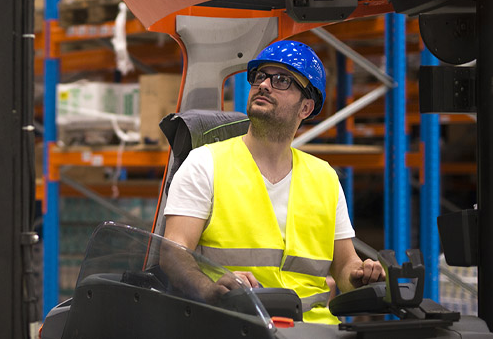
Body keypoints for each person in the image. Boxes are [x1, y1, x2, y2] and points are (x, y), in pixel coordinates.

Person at [161, 40, 385, 324]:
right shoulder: (205, 163)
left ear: (306, 107)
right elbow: (173, 252)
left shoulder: (325, 177)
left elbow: (344, 266)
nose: (264, 85)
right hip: (236, 322)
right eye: (259, 77)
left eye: (282, 80)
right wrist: (209, 289)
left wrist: (360, 275)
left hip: (314, 331)